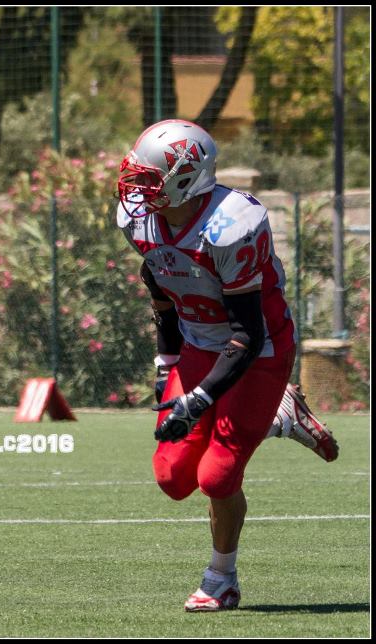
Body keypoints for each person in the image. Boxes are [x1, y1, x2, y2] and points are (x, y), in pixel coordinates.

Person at [116, 119, 338, 612]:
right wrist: (165, 362)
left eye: (150, 178)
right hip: (197, 343)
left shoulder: (230, 226)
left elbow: (247, 333)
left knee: (218, 477)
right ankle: (279, 416)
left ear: (185, 177)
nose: (137, 189)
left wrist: (197, 399)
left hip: (258, 350)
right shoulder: (140, 220)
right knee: (174, 478)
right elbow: (161, 288)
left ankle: (222, 580)